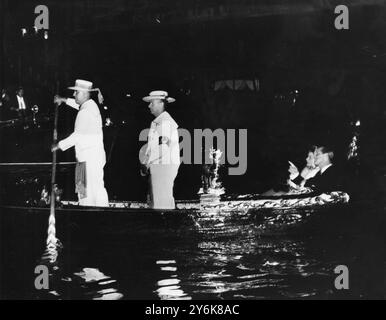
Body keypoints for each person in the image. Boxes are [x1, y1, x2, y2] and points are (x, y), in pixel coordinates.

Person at [52, 79, 109, 207]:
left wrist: (58, 146)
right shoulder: (90, 106)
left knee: (86, 195)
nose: (74, 95)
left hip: (87, 160)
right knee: (94, 191)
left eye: (76, 92)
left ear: (84, 93)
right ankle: (101, 217)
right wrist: (63, 99)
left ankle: (90, 218)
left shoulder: (85, 112)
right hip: (88, 158)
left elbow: (77, 136)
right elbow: (77, 104)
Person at [140, 90, 180, 209]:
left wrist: (146, 162)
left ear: (161, 103)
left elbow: (163, 148)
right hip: (159, 165)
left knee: (161, 203)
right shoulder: (158, 122)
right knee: (158, 201)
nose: (149, 105)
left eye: (152, 103)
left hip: (163, 166)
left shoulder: (165, 123)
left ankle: (164, 226)